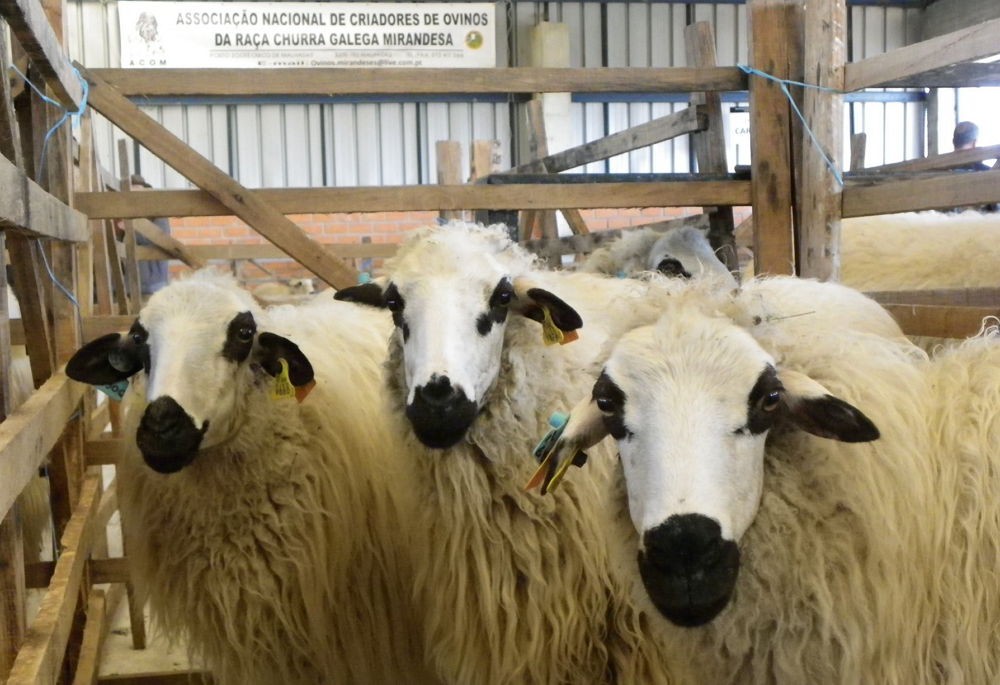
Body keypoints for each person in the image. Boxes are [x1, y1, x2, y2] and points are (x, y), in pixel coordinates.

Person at [131, 173, 171, 295]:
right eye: (131, 193)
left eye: (138, 191)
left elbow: (160, 238)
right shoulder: (123, 212)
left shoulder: (156, 212)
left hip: (154, 281)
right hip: (132, 282)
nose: (135, 197)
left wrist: (131, 228)